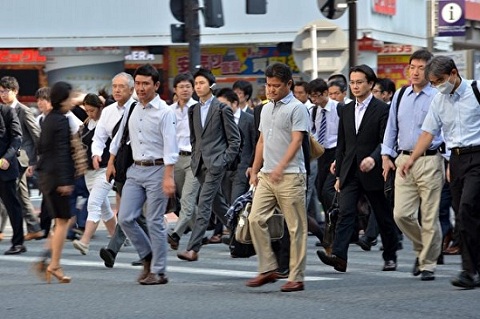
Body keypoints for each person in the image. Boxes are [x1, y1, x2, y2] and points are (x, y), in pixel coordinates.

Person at [400, 55, 480, 289]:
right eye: (433, 82)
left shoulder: (475, 91)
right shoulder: (438, 99)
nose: (436, 86)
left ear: (454, 73)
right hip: (455, 160)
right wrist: (411, 159)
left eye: (439, 80)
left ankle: (469, 270)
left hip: (477, 156)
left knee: (467, 209)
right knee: (464, 216)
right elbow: (428, 133)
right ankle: (472, 269)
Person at [317, 64, 398, 273]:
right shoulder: (345, 109)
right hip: (350, 170)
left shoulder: (382, 109)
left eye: (359, 82)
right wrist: (338, 165)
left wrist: (374, 158)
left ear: (370, 84)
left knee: (382, 214)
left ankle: (390, 255)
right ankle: (339, 256)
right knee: (345, 212)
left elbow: (386, 140)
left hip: (373, 170)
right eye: (352, 82)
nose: (355, 86)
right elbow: (343, 143)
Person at [107, 64, 178, 285]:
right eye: (137, 83)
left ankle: (159, 271)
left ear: (156, 85)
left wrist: (168, 176)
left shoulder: (165, 112)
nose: (140, 88)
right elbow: (119, 137)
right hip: (135, 170)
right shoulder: (132, 107)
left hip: (158, 169)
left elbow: (171, 146)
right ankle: (147, 256)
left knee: (155, 221)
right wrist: (110, 161)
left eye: (145, 83)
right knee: (126, 217)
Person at [246, 62, 309, 292]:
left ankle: (296, 276)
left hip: (291, 176)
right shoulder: (265, 108)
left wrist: (281, 167)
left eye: (276, 86)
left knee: (296, 228)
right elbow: (261, 141)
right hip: (266, 175)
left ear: (289, 85)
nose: (270, 90)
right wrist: (254, 170)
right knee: (255, 219)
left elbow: (297, 140)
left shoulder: (297, 108)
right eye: (268, 85)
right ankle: (267, 268)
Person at [381, 49, 443, 281]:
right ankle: (423, 248)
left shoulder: (438, 95)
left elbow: (445, 130)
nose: (415, 72)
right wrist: (386, 155)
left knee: (428, 216)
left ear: (430, 71)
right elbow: (391, 128)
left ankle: (427, 264)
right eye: (412, 67)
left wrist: (446, 161)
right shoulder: (400, 94)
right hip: (404, 160)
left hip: (430, 158)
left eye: (421, 68)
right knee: (401, 215)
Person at [176, 68, 241, 262]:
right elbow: (195, 138)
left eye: (202, 83)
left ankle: (193, 249)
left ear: (211, 85)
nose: (198, 87)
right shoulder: (193, 109)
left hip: (216, 164)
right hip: (199, 164)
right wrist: (196, 158)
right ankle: (243, 236)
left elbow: (235, 140)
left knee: (203, 204)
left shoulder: (222, 108)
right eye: (196, 83)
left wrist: (222, 161)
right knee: (218, 204)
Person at [97, 72, 148, 268]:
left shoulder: (141, 107)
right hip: (122, 165)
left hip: (141, 166)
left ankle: (113, 250)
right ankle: (149, 251)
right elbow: (113, 140)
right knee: (133, 213)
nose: (117, 90)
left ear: (131, 89)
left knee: (130, 211)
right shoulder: (111, 111)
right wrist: (109, 163)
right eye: (114, 86)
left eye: (121, 86)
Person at [35, 81, 75, 283]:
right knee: (62, 222)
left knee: (59, 221)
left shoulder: (49, 119)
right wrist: (65, 181)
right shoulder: (61, 120)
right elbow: (62, 153)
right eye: (70, 97)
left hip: (46, 177)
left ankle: (45, 260)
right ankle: (54, 265)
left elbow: (40, 147)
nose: (72, 101)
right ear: (62, 99)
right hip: (57, 178)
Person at [72, 94, 116, 255]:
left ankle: (85, 241)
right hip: (88, 172)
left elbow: (111, 102)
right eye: (87, 110)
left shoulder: (106, 123)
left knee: (93, 204)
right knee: (104, 208)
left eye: (92, 110)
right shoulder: (85, 125)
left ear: (100, 107)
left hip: (105, 170)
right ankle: (116, 237)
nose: (90, 113)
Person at [0, 76, 43, 242]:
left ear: (15, 91)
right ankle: (34, 227)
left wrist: (34, 161)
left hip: (21, 159)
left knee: (8, 194)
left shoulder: (23, 110)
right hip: (9, 160)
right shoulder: (3, 110)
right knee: (20, 195)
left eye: (6, 91)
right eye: (1, 91)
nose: (3, 94)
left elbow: (36, 135)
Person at [167, 73, 200, 250]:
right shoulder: (169, 111)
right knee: (186, 200)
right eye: (181, 86)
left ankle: (175, 234)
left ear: (193, 89)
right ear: (175, 90)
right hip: (175, 159)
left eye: (188, 86)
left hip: (194, 159)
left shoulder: (199, 108)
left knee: (187, 199)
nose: (185, 89)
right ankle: (198, 237)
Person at [0, 101, 23, 255]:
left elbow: (17, 138)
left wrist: (7, 158)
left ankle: (18, 243)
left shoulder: (7, 112)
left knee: (12, 206)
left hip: (4, 167)